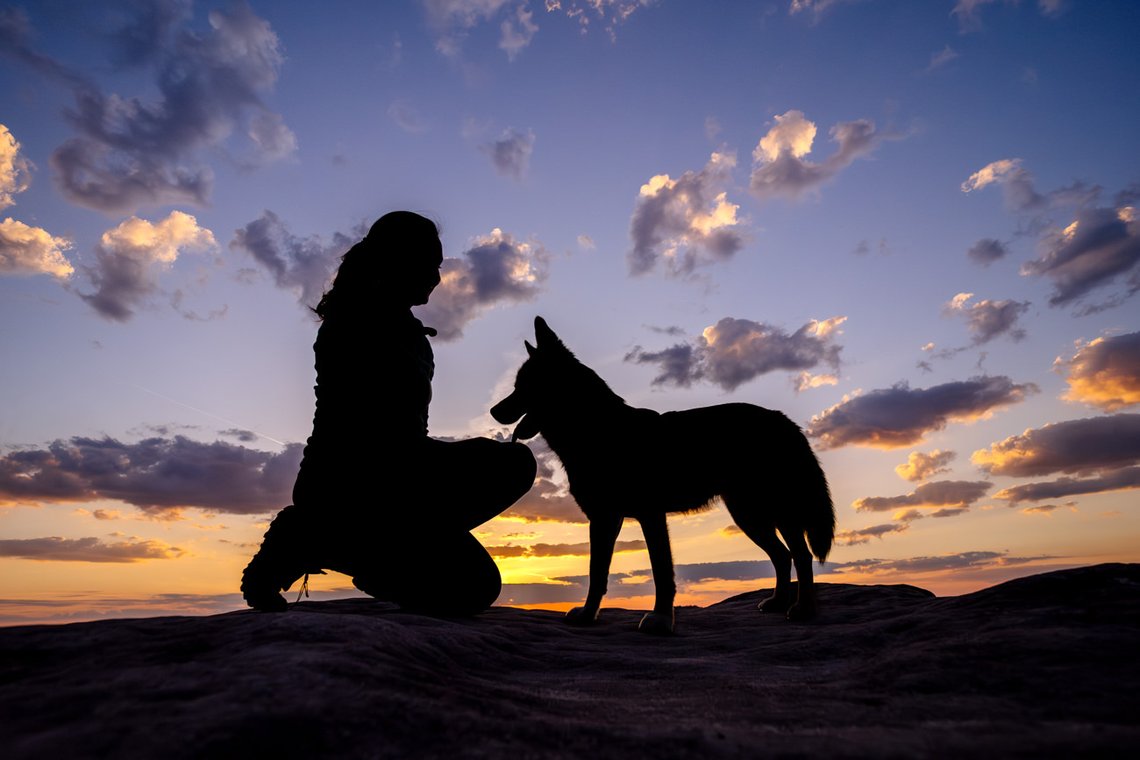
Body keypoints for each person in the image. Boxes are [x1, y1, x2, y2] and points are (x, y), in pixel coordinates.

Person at [241, 211, 537, 615]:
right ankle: (307, 534)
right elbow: (369, 433)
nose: (436, 276)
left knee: (474, 588)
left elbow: (407, 433)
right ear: (397, 261)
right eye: (429, 264)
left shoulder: (407, 330)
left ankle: (360, 554)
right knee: (513, 462)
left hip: (401, 487)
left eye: (439, 266)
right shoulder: (352, 323)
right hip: (349, 485)